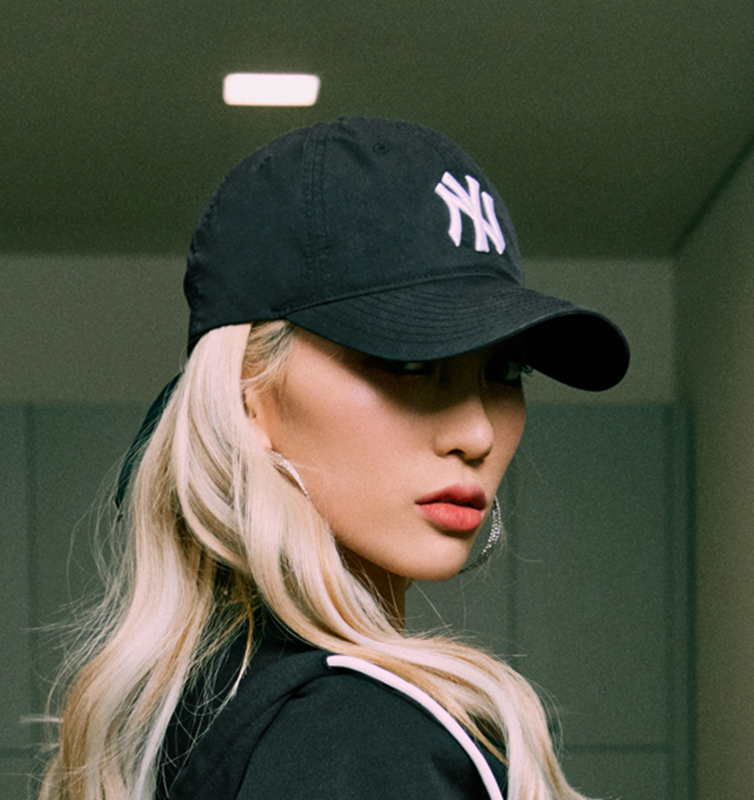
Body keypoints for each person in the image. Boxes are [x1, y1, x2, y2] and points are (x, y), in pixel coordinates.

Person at [39, 118, 629, 800]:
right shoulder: (361, 737)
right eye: (409, 362)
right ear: (248, 393)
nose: (476, 431)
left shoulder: (203, 707)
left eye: (505, 370)